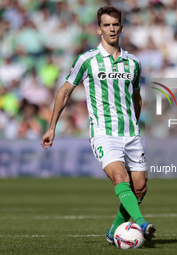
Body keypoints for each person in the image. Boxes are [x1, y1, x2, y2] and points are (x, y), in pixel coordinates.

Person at [40, 6, 156, 244]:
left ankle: (113, 229)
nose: (111, 29)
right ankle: (142, 224)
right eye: (107, 25)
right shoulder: (87, 60)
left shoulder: (133, 63)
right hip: (103, 133)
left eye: (115, 25)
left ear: (121, 28)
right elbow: (64, 92)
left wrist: (134, 123)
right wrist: (52, 127)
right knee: (119, 178)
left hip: (131, 133)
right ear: (99, 29)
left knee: (141, 188)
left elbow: (136, 97)